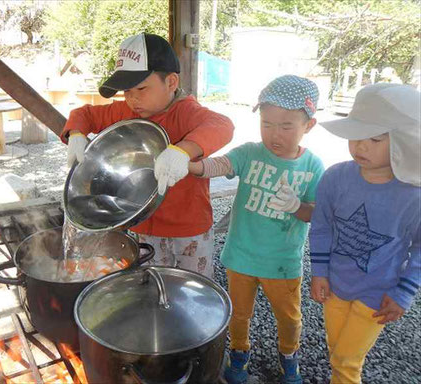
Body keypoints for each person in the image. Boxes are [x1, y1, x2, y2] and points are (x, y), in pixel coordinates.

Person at [61, 32, 234, 277]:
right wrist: (76, 133)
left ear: (171, 82)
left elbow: (223, 125)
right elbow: (85, 114)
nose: (132, 99)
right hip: (143, 226)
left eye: (141, 88)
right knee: (152, 287)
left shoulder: (186, 112)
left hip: (189, 228)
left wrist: (183, 151)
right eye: (126, 91)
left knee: (195, 288)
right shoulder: (125, 111)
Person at [189, 75, 324, 384]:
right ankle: (239, 353)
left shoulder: (313, 166)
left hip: (283, 261)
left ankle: (289, 355)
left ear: (309, 125)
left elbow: (316, 214)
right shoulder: (251, 153)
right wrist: (188, 165)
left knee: (289, 317)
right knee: (238, 314)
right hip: (241, 256)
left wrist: (296, 207)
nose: (274, 134)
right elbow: (220, 165)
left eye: (286, 126)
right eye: (267, 123)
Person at [309, 83, 420, 384]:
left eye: (374, 138)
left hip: (379, 292)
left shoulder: (414, 194)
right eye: (355, 135)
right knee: (336, 351)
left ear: (405, 142)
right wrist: (319, 271)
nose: (360, 146)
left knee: (346, 360)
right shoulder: (335, 177)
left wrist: (405, 291)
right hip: (334, 285)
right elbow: (321, 225)